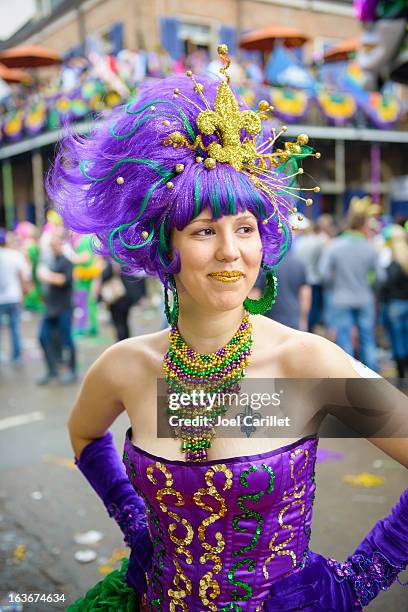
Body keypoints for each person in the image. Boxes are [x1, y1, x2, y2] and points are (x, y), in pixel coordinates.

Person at [47, 46, 407, 610]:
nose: (230, 253)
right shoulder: (126, 366)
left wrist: (353, 583)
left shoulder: (304, 364)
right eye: (202, 231)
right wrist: (138, 528)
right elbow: (85, 436)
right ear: (167, 247)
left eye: (245, 228)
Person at [319, 211, 380, 372]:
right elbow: (380, 276)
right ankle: (373, 378)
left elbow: (323, 273)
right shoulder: (370, 248)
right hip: (364, 297)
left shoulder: (335, 246)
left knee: (344, 341)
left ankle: (349, 376)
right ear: (364, 226)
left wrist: (335, 285)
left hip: (341, 297)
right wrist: (368, 284)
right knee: (368, 340)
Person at [37, 227, 77, 385]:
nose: (54, 246)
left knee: (67, 340)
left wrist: (47, 276)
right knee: (43, 338)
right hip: (50, 309)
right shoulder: (52, 261)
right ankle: (52, 371)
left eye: (56, 243)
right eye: (51, 244)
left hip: (64, 309)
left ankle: (72, 371)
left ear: (62, 244)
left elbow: (64, 280)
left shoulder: (67, 262)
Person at [379, 224, 408, 380]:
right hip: (405, 303)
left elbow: (386, 284)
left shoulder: (392, 263)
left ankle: (401, 371)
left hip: (395, 304)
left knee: (397, 339)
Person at [0, 228, 29, 365]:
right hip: (14, 297)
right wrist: (24, 293)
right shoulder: (15, 255)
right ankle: (16, 356)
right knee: (15, 328)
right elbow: (23, 277)